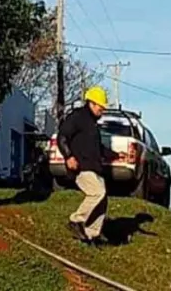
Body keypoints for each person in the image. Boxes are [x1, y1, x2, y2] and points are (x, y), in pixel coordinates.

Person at [57, 85, 117, 244]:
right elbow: (62, 137)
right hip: (81, 167)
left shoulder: (93, 125)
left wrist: (115, 155)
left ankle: (92, 234)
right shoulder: (77, 117)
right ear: (91, 103)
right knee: (97, 192)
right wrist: (68, 156)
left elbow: (97, 148)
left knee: (102, 200)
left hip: (95, 167)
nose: (102, 111)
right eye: (100, 107)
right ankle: (75, 220)